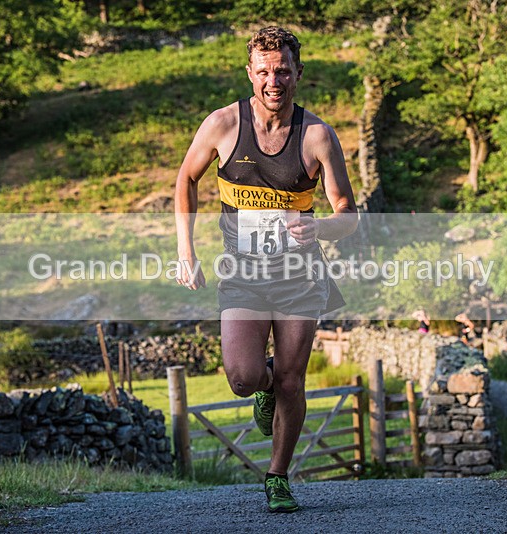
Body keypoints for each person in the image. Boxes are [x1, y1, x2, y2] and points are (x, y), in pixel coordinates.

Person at [174, 27, 358, 513]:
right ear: (250, 74)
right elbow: (185, 179)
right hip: (242, 272)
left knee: (293, 381)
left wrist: (319, 230)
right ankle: (264, 388)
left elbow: (348, 213)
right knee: (242, 374)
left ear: (298, 73)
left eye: (282, 71)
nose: (273, 81)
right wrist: (185, 251)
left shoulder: (316, 135)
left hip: (301, 276)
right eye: (263, 72)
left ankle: (278, 477)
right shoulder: (222, 125)